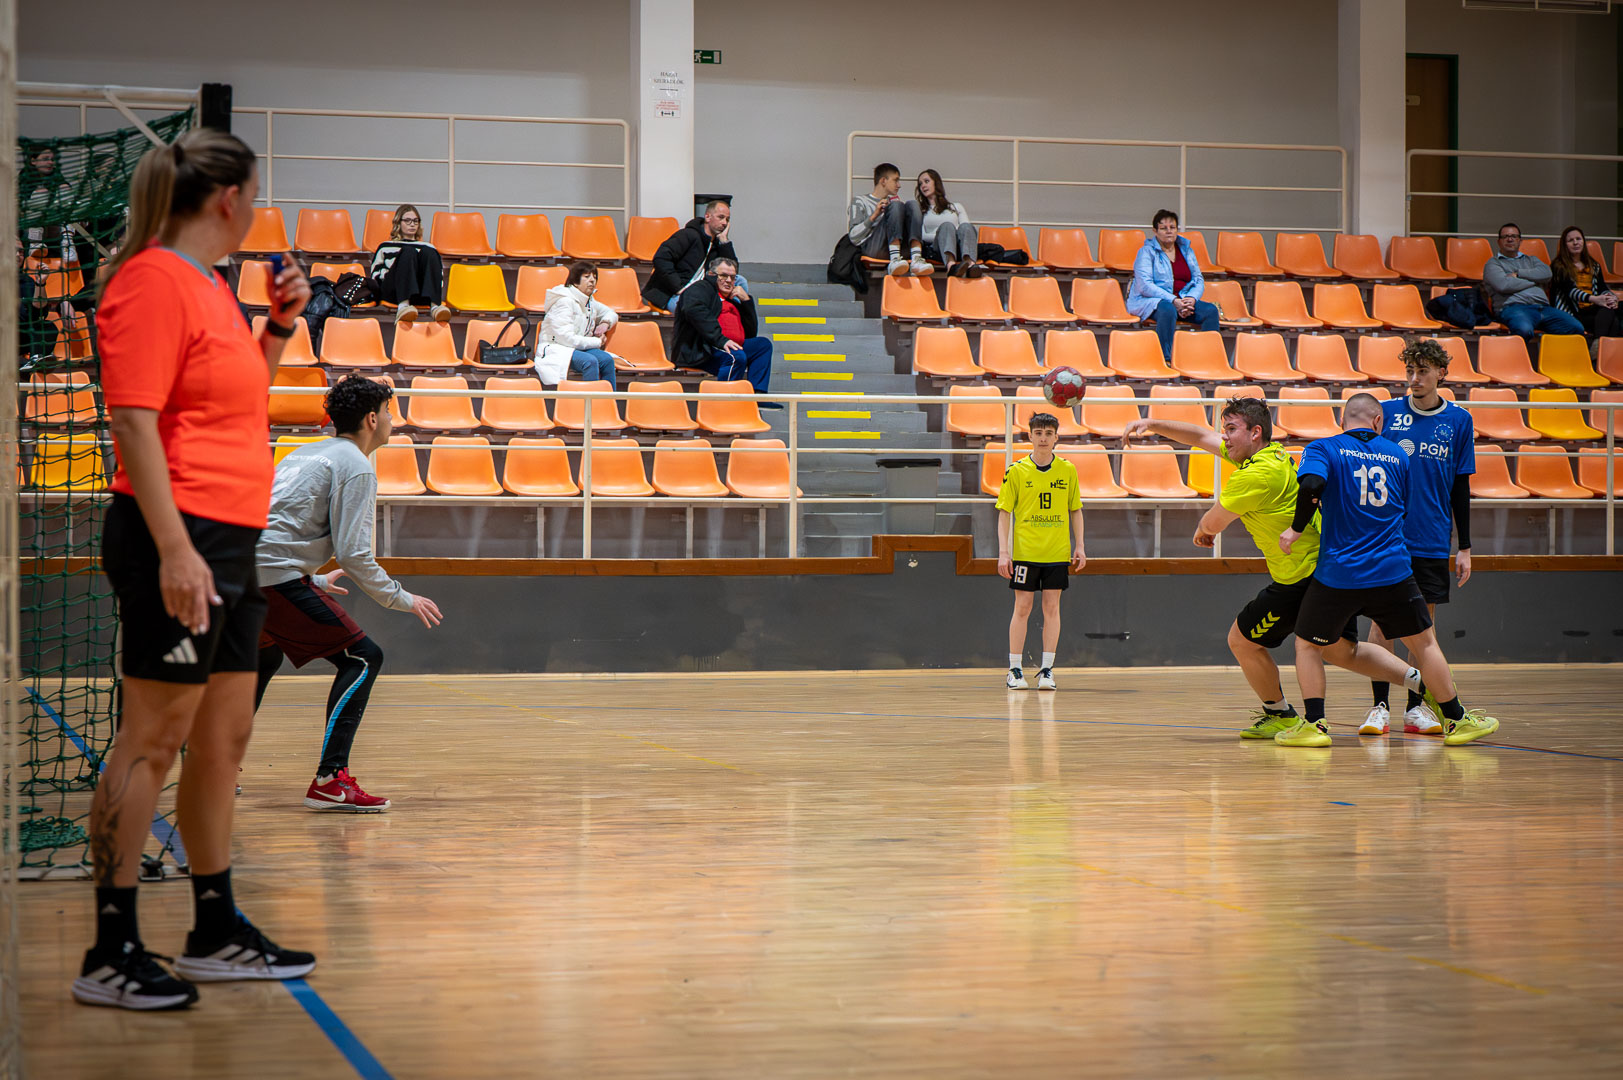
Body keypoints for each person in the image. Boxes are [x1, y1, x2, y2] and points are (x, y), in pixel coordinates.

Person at [76, 128, 315, 1011]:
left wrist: (278, 327)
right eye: (254, 193)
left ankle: (214, 930)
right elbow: (133, 422)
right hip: (175, 537)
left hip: (230, 537)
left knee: (224, 741)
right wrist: (175, 548)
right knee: (152, 739)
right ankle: (110, 949)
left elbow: (236, 400)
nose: (256, 208)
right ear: (228, 199)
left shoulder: (211, 285)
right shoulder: (149, 281)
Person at [1124, 397, 1435, 739]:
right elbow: (1200, 437)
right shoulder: (1272, 455)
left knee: (1242, 641)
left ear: (1255, 432)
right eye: (1225, 429)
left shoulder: (1256, 475)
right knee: (1342, 651)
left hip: (1298, 577)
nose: (1224, 436)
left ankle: (1281, 714)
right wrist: (1152, 423)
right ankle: (1426, 683)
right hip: (1323, 567)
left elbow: (1212, 522)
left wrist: (1203, 531)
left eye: (1231, 429)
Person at [254, 376, 443, 812]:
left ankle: (217, 765)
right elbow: (355, 555)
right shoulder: (356, 466)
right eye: (389, 412)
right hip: (272, 578)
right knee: (363, 657)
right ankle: (329, 779)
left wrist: (314, 581)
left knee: (263, 656)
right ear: (372, 419)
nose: (393, 421)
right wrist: (402, 598)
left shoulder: (302, 453)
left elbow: (275, 526)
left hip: (243, 574)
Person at [1277, 394, 1500, 748]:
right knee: (1425, 644)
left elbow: (1312, 486)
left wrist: (1296, 528)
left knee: (1307, 645)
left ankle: (1315, 725)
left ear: (1342, 420)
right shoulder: (1398, 455)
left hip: (1339, 573)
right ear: (1378, 422)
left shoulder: (1323, 448)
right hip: (1393, 570)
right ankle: (1457, 720)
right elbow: (1403, 508)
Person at [1362, 339, 1474, 737]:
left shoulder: (1459, 420)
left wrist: (1465, 546)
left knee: (1422, 627)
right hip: (1386, 539)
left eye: (1422, 371)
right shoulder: (1386, 413)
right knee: (1381, 624)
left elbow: (1460, 487)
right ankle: (1379, 707)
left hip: (1431, 539)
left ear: (1441, 373)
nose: (1414, 379)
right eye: (1409, 371)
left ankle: (1415, 708)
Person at [995, 414, 1086, 691]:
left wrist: (1080, 545)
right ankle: (1014, 669)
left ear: (1056, 437)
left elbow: (1075, 509)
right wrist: (1004, 552)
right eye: (1038, 433)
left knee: (1052, 608)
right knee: (1022, 607)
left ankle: (1047, 670)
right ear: (1030, 436)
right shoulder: (1016, 470)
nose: (1043, 438)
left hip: (1057, 552)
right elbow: (1004, 513)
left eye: (1048, 433)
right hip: (1026, 552)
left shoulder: (1067, 470)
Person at [672, 256, 776, 402]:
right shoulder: (700, 289)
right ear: (711, 274)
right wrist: (721, 340)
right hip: (702, 348)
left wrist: (746, 302)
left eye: (732, 277)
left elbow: (751, 332)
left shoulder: (731, 299)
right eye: (723, 276)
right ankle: (724, 404)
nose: (728, 280)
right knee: (735, 357)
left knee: (762, 345)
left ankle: (757, 398)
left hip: (726, 346)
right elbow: (694, 311)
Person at [1126, 209, 1219, 362]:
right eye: (1163, 228)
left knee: (1210, 311)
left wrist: (1191, 299)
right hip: (1152, 301)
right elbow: (1145, 286)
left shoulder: (1186, 250)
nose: (1169, 231)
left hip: (1183, 299)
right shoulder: (1146, 252)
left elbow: (1198, 279)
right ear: (1155, 231)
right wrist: (1173, 300)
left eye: (1172, 227)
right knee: (1168, 309)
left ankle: (1208, 359)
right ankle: (1165, 359)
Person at [1482, 222, 1583, 342]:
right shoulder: (1493, 264)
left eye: (1514, 236)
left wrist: (1518, 274)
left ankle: (1550, 354)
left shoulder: (1532, 260)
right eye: (1505, 236)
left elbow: (1547, 273)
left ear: (1520, 241)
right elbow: (1504, 285)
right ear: (1499, 241)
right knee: (1524, 329)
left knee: (1576, 328)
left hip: (1543, 308)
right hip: (1514, 308)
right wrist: (1536, 281)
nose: (1510, 239)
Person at [642, 199, 747, 312]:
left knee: (740, 281)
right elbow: (661, 258)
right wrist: (678, 288)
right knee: (701, 309)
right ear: (707, 217)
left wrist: (724, 241)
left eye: (727, 219)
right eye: (720, 217)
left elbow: (732, 271)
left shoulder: (717, 244)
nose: (724, 223)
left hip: (701, 292)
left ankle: (735, 316)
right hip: (674, 294)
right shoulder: (688, 235)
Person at [538, 261, 621, 389]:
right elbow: (566, 338)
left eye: (594, 277)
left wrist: (605, 323)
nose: (592, 280)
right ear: (575, 282)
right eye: (587, 277)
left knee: (607, 360)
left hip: (579, 347)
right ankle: (590, 400)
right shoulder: (564, 302)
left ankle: (609, 400)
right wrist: (597, 342)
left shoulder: (590, 301)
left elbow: (611, 313)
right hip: (558, 347)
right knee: (590, 361)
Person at [369, 203, 451, 326]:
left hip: (420, 293)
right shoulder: (385, 246)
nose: (412, 224)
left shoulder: (427, 247)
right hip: (393, 293)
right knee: (408, 251)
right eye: (407, 221)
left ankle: (435, 307)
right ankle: (403, 307)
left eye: (415, 221)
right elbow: (375, 276)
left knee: (429, 251)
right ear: (398, 223)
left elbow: (438, 276)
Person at [847, 162, 930, 277]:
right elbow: (853, 237)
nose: (899, 185)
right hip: (874, 249)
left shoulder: (895, 203)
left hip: (901, 249)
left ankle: (916, 259)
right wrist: (875, 215)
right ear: (883, 181)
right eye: (895, 180)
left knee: (912, 204)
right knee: (896, 205)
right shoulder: (860, 201)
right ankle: (894, 260)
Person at [1550, 225, 1622, 344]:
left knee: (1611, 309)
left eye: (1578, 239)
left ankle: (1598, 347)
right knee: (1612, 320)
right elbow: (1571, 292)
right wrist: (1595, 299)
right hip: (1572, 313)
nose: (1575, 243)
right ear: (1564, 245)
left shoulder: (1593, 265)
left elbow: (1602, 287)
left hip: (1591, 309)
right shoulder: (1559, 266)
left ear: (1583, 241)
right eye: (1570, 240)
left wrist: (1611, 298)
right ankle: (1601, 350)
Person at [915, 169, 982, 278]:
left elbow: (967, 231)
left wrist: (952, 237)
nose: (923, 186)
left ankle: (970, 265)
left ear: (936, 183)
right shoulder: (921, 211)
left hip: (958, 247)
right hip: (936, 248)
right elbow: (922, 236)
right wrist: (945, 236)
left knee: (966, 226)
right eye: (920, 184)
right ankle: (951, 267)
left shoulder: (956, 207)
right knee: (947, 226)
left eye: (926, 181)